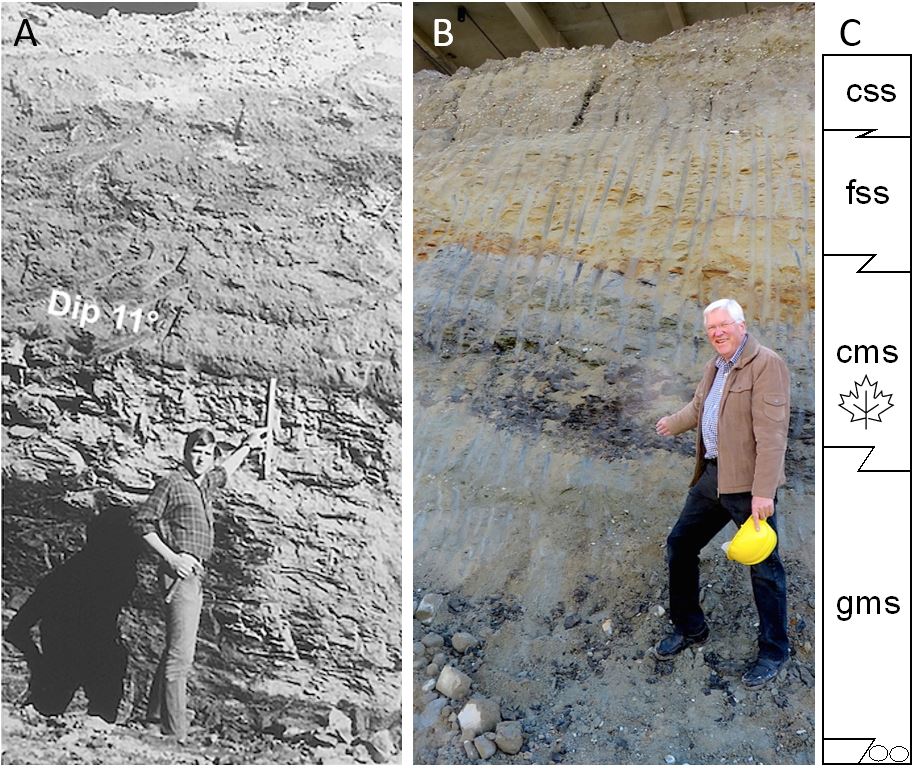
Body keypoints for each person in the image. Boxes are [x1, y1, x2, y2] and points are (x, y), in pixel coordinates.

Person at [654, 298, 791, 688]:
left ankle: (774, 650)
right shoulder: (716, 366)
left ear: (741, 325)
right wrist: (672, 423)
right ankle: (690, 627)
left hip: (748, 486)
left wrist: (764, 491)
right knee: (680, 545)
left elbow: (772, 434)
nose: (717, 333)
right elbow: (700, 407)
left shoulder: (767, 364)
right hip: (713, 478)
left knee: (765, 567)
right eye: (711, 328)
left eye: (723, 325)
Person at [132, 426, 267, 742]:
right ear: (185, 451)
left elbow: (224, 472)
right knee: (182, 656)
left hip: (196, 574)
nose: (201, 457)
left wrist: (247, 445)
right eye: (196, 451)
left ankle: (154, 720)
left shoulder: (203, 484)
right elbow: (141, 522)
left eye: (207, 453)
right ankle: (176, 733)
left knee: (173, 651)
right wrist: (172, 558)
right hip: (180, 574)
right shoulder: (172, 483)